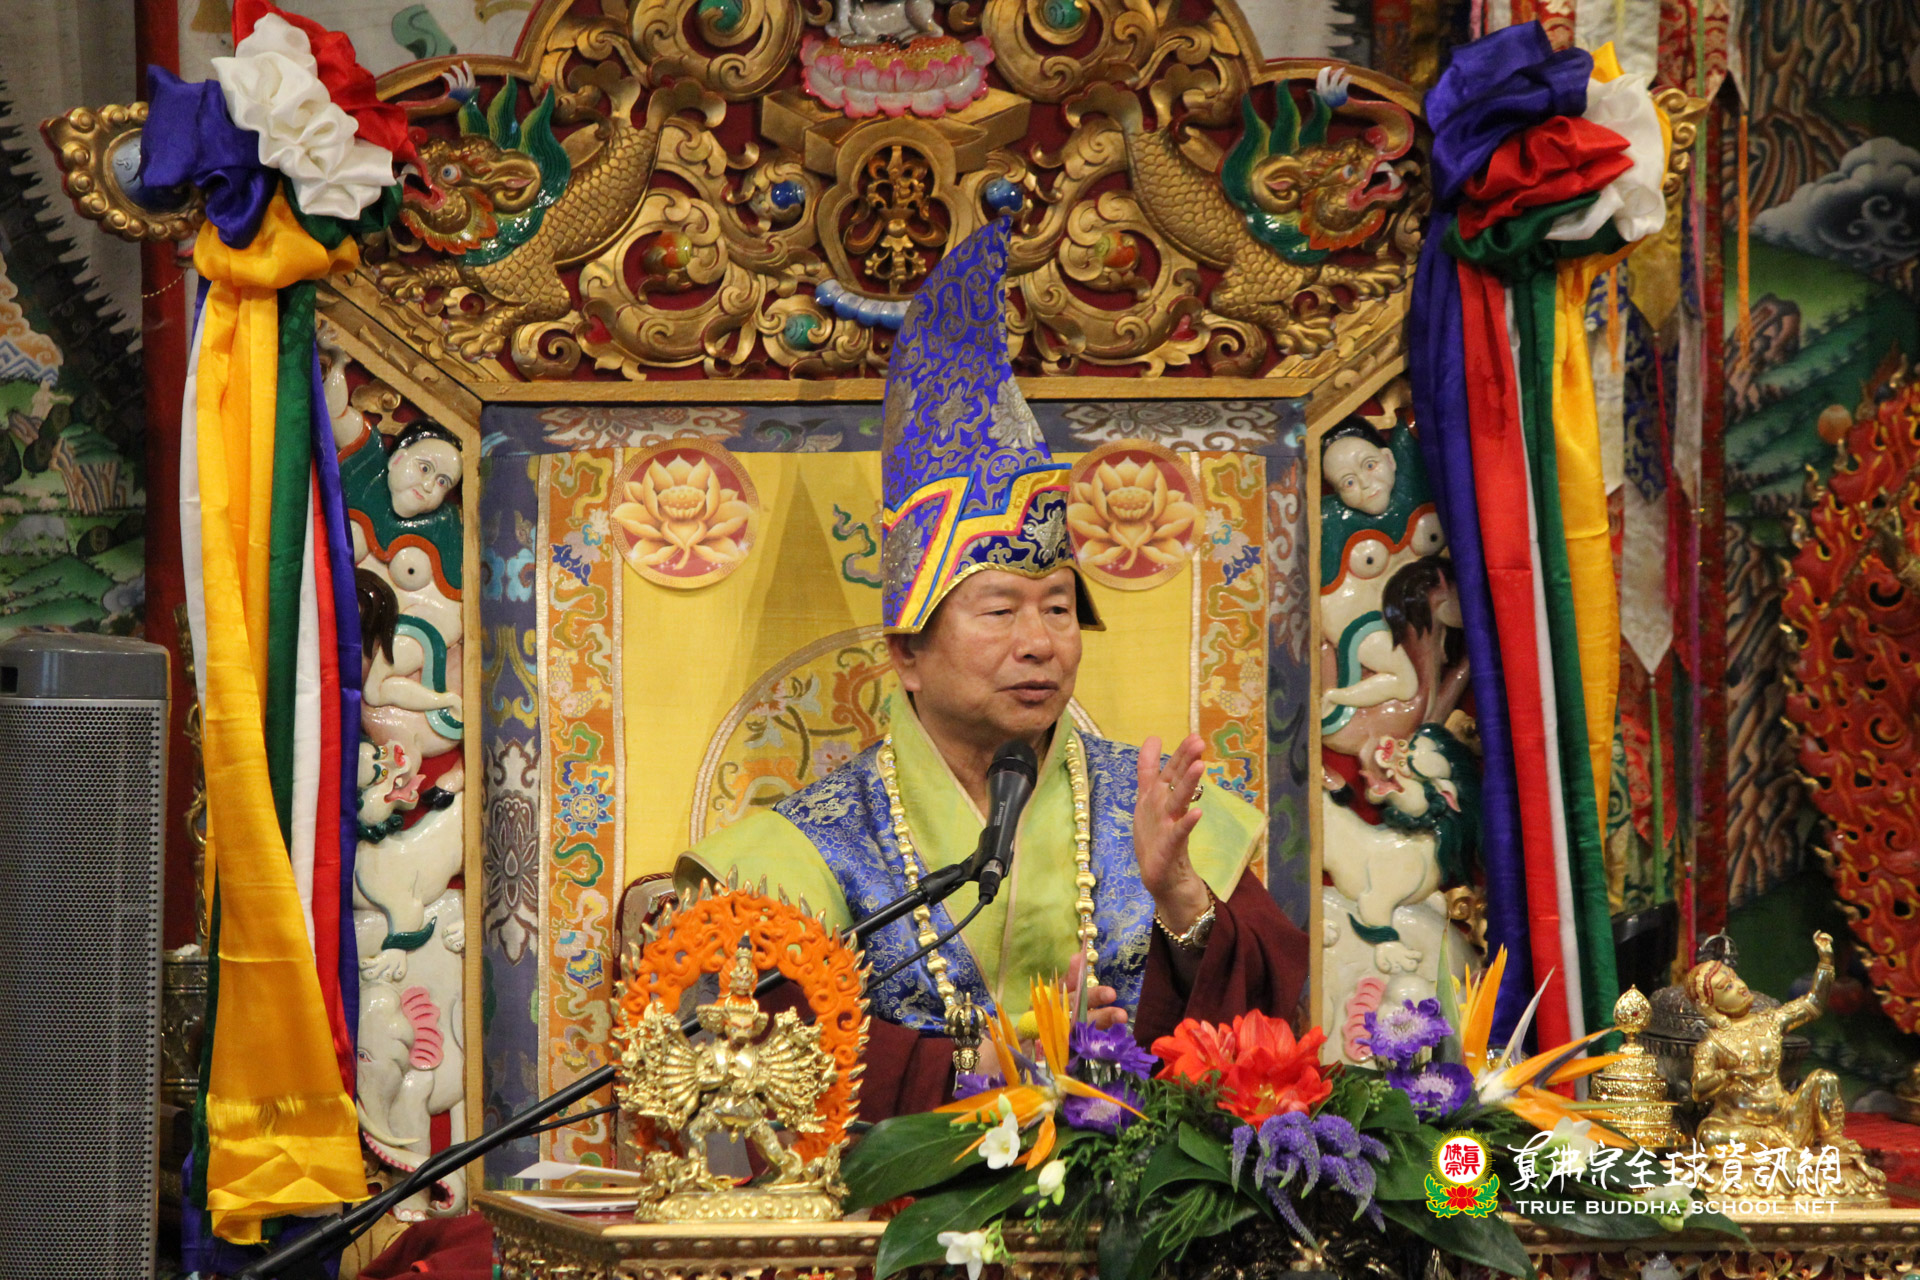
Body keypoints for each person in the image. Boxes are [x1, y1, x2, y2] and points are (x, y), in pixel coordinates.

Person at [673, 195, 1307, 1120]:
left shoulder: (1149, 812)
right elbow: (769, 1056)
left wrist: (1178, 898)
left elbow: (1265, 1029)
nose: (1039, 641)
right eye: (1000, 609)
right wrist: (991, 1060)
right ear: (908, 653)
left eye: (1059, 608)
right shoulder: (812, 846)